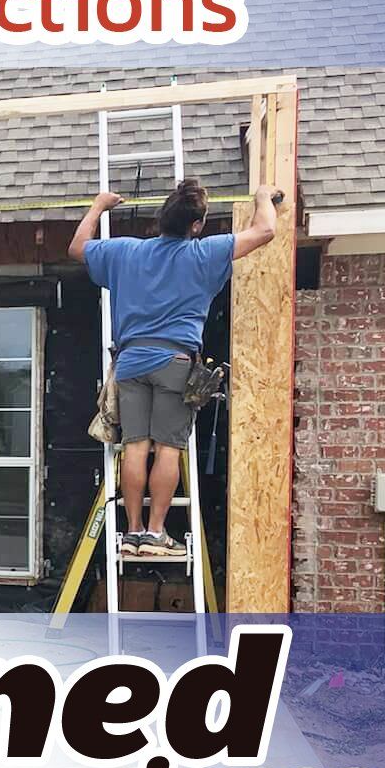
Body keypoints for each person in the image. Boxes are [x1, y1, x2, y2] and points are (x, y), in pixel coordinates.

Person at [68, 178, 284, 556]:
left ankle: (132, 532)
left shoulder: (125, 253)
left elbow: (77, 248)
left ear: (160, 219)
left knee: (135, 446)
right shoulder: (203, 253)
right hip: (175, 361)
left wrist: (99, 206)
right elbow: (265, 230)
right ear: (196, 225)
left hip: (131, 361)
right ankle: (154, 534)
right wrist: (263, 197)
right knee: (168, 448)